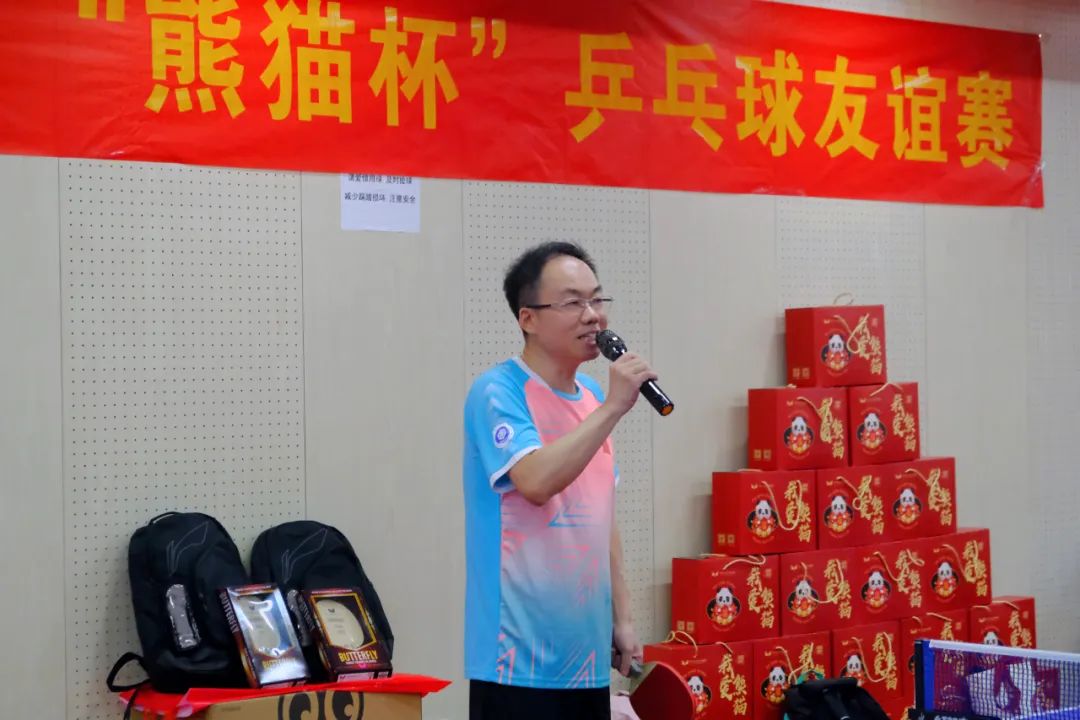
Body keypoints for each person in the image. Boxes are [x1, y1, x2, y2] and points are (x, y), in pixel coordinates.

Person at [462, 241, 659, 720]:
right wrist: (614, 408)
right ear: (528, 318)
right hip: (516, 659)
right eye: (573, 302)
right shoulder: (498, 391)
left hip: (587, 658)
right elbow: (534, 481)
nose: (593, 315)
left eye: (597, 299)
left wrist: (623, 617)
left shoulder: (591, 395)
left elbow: (602, 515)